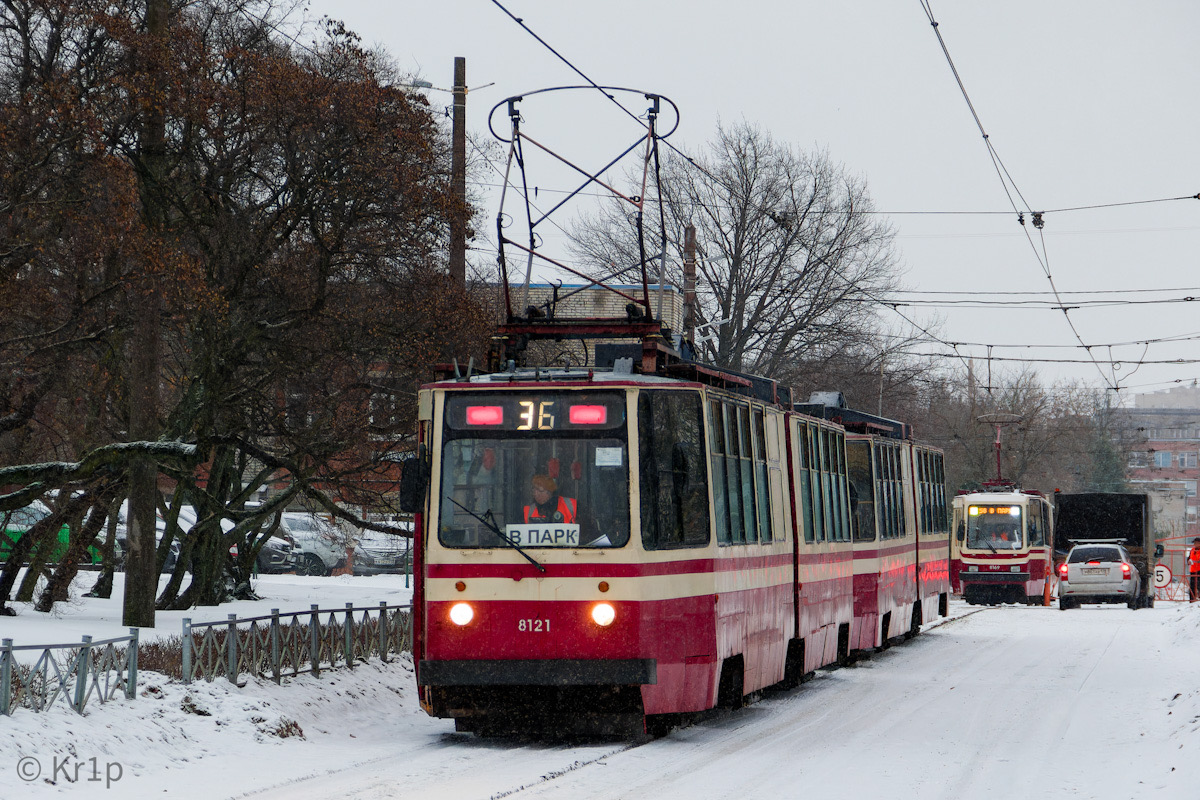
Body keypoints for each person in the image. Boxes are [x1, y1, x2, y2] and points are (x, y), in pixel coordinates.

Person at [1189, 538, 1200, 602]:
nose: (1195, 544)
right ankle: (1192, 599)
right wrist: (1188, 561)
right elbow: (1189, 558)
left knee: (1199, 585)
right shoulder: (1192, 550)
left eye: (1196, 543)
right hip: (1193, 570)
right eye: (1194, 543)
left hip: (1199, 570)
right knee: (1192, 585)